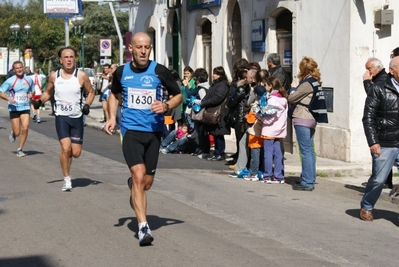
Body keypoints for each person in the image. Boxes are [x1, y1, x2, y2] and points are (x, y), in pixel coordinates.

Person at [103, 32, 182, 246]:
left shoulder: (159, 71)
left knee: (146, 183)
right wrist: (112, 117)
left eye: (147, 47)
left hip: (154, 132)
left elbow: (178, 95)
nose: (144, 51)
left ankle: (134, 187)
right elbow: (114, 95)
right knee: (138, 175)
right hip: (130, 131)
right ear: (131, 49)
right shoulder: (121, 72)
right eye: (139, 47)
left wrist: (166, 106)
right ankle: (143, 228)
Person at [36, 47, 94, 191]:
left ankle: (67, 163)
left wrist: (87, 104)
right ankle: (67, 179)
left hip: (76, 118)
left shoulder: (81, 76)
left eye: (71, 57)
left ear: (75, 59)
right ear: (60, 60)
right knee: (65, 148)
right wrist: (39, 101)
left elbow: (91, 92)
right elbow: (48, 92)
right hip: (61, 117)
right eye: (66, 57)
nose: (69, 60)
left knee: (75, 153)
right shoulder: (54, 76)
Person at [360, 56, 399, 221]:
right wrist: (373, 141)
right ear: (392, 70)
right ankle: (367, 205)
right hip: (386, 141)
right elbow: (368, 117)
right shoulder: (378, 88)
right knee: (379, 179)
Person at [288, 56, 323, 191]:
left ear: (303, 69)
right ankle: (308, 178)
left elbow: (292, 98)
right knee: (309, 151)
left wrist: (292, 89)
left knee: (306, 151)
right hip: (312, 118)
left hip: (302, 118)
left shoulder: (307, 83)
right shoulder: (316, 82)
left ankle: (307, 182)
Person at [362, 58, 393, 189]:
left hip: (385, 127)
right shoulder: (379, 80)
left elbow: (372, 95)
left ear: (377, 68)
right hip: (383, 126)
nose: (367, 72)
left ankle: (383, 181)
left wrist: (366, 82)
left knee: (383, 156)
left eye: (369, 69)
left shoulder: (382, 80)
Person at [196, 66, 230, 161]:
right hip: (212, 111)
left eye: (215, 73)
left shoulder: (223, 85)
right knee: (214, 133)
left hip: (219, 112)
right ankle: (216, 152)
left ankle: (220, 153)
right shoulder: (216, 84)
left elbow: (217, 98)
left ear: (220, 75)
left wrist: (205, 102)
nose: (213, 75)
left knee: (219, 133)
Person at [0, 61, 34, 157]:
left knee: (26, 128)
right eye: (17, 68)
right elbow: (0, 92)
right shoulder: (10, 81)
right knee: (17, 132)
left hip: (25, 107)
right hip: (14, 107)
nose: (19, 69)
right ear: (14, 70)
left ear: (22, 68)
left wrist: (32, 94)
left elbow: (33, 90)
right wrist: (8, 98)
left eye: (20, 67)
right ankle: (14, 131)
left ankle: (20, 149)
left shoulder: (29, 79)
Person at [257, 78, 288, 184]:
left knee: (268, 153)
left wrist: (258, 115)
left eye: (265, 85)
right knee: (278, 153)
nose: (265, 87)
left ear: (270, 86)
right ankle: (279, 176)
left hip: (270, 130)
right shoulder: (283, 98)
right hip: (279, 130)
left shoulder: (273, 100)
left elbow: (269, 118)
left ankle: (267, 175)